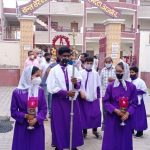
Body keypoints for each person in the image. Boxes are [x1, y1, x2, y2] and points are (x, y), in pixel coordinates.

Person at [46, 46, 84, 150]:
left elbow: (79, 83)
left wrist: (76, 83)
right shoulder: (54, 70)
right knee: (59, 125)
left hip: (72, 102)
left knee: (73, 124)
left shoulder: (73, 69)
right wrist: (65, 93)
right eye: (64, 56)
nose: (66, 58)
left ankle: (73, 145)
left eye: (68, 56)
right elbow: (51, 87)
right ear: (59, 56)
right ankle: (60, 145)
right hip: (59, 102)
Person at [101, 62, 138, 150]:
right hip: (113, 118)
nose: (119, 74)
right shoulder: (111, 86)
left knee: (124, 140)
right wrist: (115, 110)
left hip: (125, 118)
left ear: (125, 71)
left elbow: (134, 103)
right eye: (117, 71)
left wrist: (128, 113)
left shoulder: (131, 87)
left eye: (121, 71)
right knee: (111, 140)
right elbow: (105, 101)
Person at [10, 66, 47, 150]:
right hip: (22, 126)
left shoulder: (40, 90)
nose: (39, 78)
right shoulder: (17, 92)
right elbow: (13, 111)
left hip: (37, 125)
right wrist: (25, 116)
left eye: (39, 76)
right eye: (36, 76)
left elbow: (44, 109)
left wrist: (37, 119)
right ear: (28, 76)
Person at [79, 57, 101, 138]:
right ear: (84, 63)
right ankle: (84, 131)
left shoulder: (95, 73)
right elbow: (78, 85)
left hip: (94, 97)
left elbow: (98, 85)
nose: (89, 65)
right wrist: (81, 93)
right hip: (84, 97)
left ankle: (95, 130)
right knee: (84, 115)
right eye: (87, 63)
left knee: (95, 114)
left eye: (91, 63)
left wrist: (98, 96)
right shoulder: (80, 73)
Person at [130, 66, 148, 137]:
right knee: (131, 116)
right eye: (130, 72)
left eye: (133, 72)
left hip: (138, 102)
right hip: (130, 102)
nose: (131, 74)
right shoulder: (129, 80)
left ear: (136, 73)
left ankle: (140, 132)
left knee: (139, 117)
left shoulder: (140, 81)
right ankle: (131, 130)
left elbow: (144, 90)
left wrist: (135, 91)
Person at [100, 57, 116, 130]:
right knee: (105, 110)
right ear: (104, 63)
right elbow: (100, 82)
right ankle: (105, 125)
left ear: (112, 62)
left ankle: (112, 124)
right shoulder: (103, 70)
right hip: (104, 94)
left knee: (113, 109)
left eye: (109, 62)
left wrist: (113, 80)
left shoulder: (115, 70)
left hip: (114, 94)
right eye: (106, 62)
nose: (108, 63)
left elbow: (120, 80)